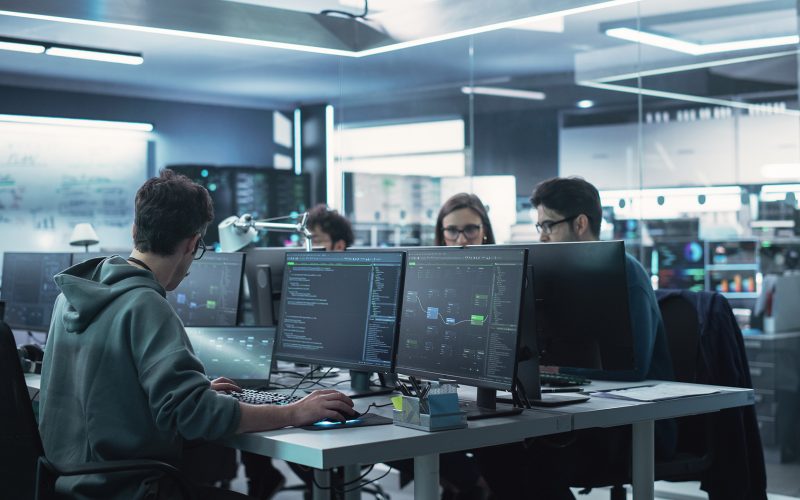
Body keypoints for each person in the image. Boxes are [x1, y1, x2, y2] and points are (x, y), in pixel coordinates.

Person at [38, 169, 355, 499]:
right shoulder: (145, 306)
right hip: (129, 490)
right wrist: (295, 411)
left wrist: (195, 389)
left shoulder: (70, 297)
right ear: (192, 243)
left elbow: (105, 388)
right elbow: (196, 417)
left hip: (65, 484)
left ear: (135, 231)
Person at [476, 176, 676, 499]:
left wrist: (558, 372)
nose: (541, 237)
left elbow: (632, 369)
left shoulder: (627, 275)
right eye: (539, 227)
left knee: (537, 463)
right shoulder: (559, 276)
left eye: (548, 226)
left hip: (629, 423)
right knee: (493, 449)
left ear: (580, 223)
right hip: (577, 411)